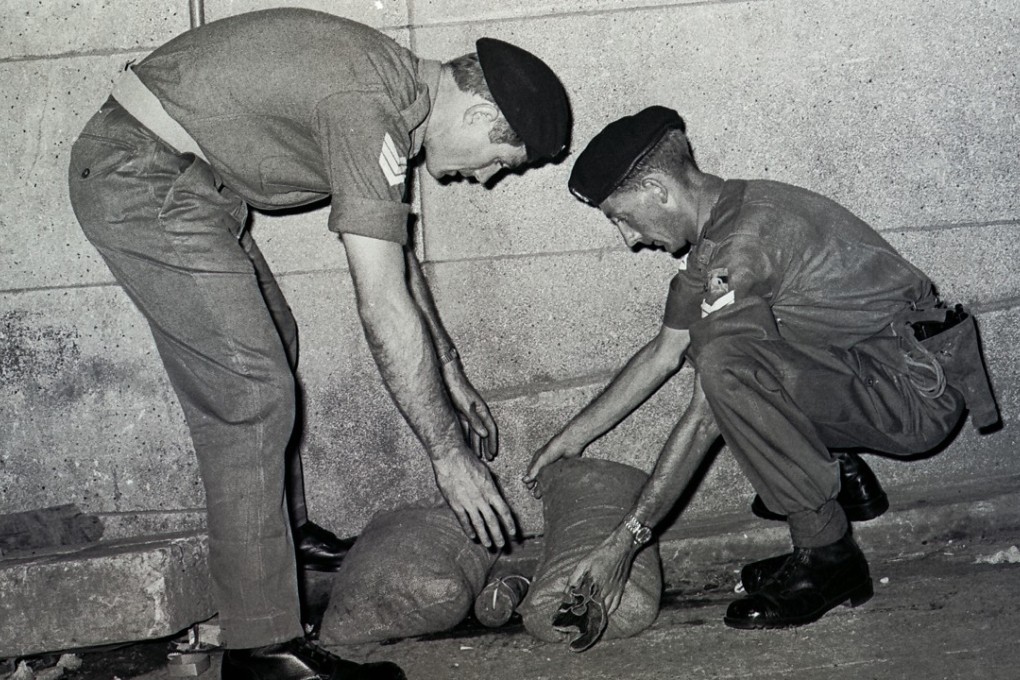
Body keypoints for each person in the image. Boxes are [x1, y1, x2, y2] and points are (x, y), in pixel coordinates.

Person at [67, 8, 570, 679]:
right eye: (502, 162)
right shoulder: (368, 108)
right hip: (142, 176)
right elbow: (381, 302)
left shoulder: (392, 91)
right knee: (250, 393)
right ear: (481, 117)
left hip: (184, 180)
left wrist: (449, 368)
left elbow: (395, 259)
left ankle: (279, 540)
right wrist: (447, 455)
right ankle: (261, 649)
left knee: (273, 337)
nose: (484, 177)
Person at [524, 106, 997, 632]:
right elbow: (665, 351)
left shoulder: (742, 249)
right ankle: (842, 480)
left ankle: (829, 557)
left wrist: (627, 539)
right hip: (877, 370)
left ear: (658, 190)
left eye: (622, 217)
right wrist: (571, 437)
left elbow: (712, 405)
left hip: (915, 394)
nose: (628, 239)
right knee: (721, 345)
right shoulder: (724, 220)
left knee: (726, 363)